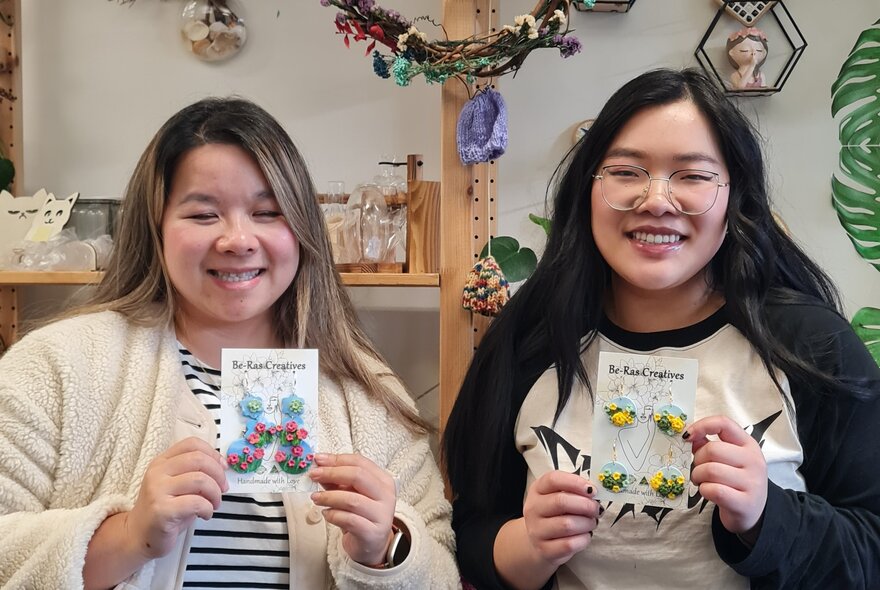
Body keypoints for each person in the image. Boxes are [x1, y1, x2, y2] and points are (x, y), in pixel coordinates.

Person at [443, 68, 880, 589]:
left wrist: (768, 518)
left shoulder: (810, 346)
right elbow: (469, 531)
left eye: (693, 176)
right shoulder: (529, 344)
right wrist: (529, 545)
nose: (655, 199)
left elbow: (870, 551)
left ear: (734, 196)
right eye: (626, 171)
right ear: (589, 187)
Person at [0, 97, 458, 589]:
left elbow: (442, 568)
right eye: (202, 215)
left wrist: (385, 549)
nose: (238, 240)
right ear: (155, 226)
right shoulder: (57, 366)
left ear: (303, 229)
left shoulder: (365, 388)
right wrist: (128, 536)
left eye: (267, 212)